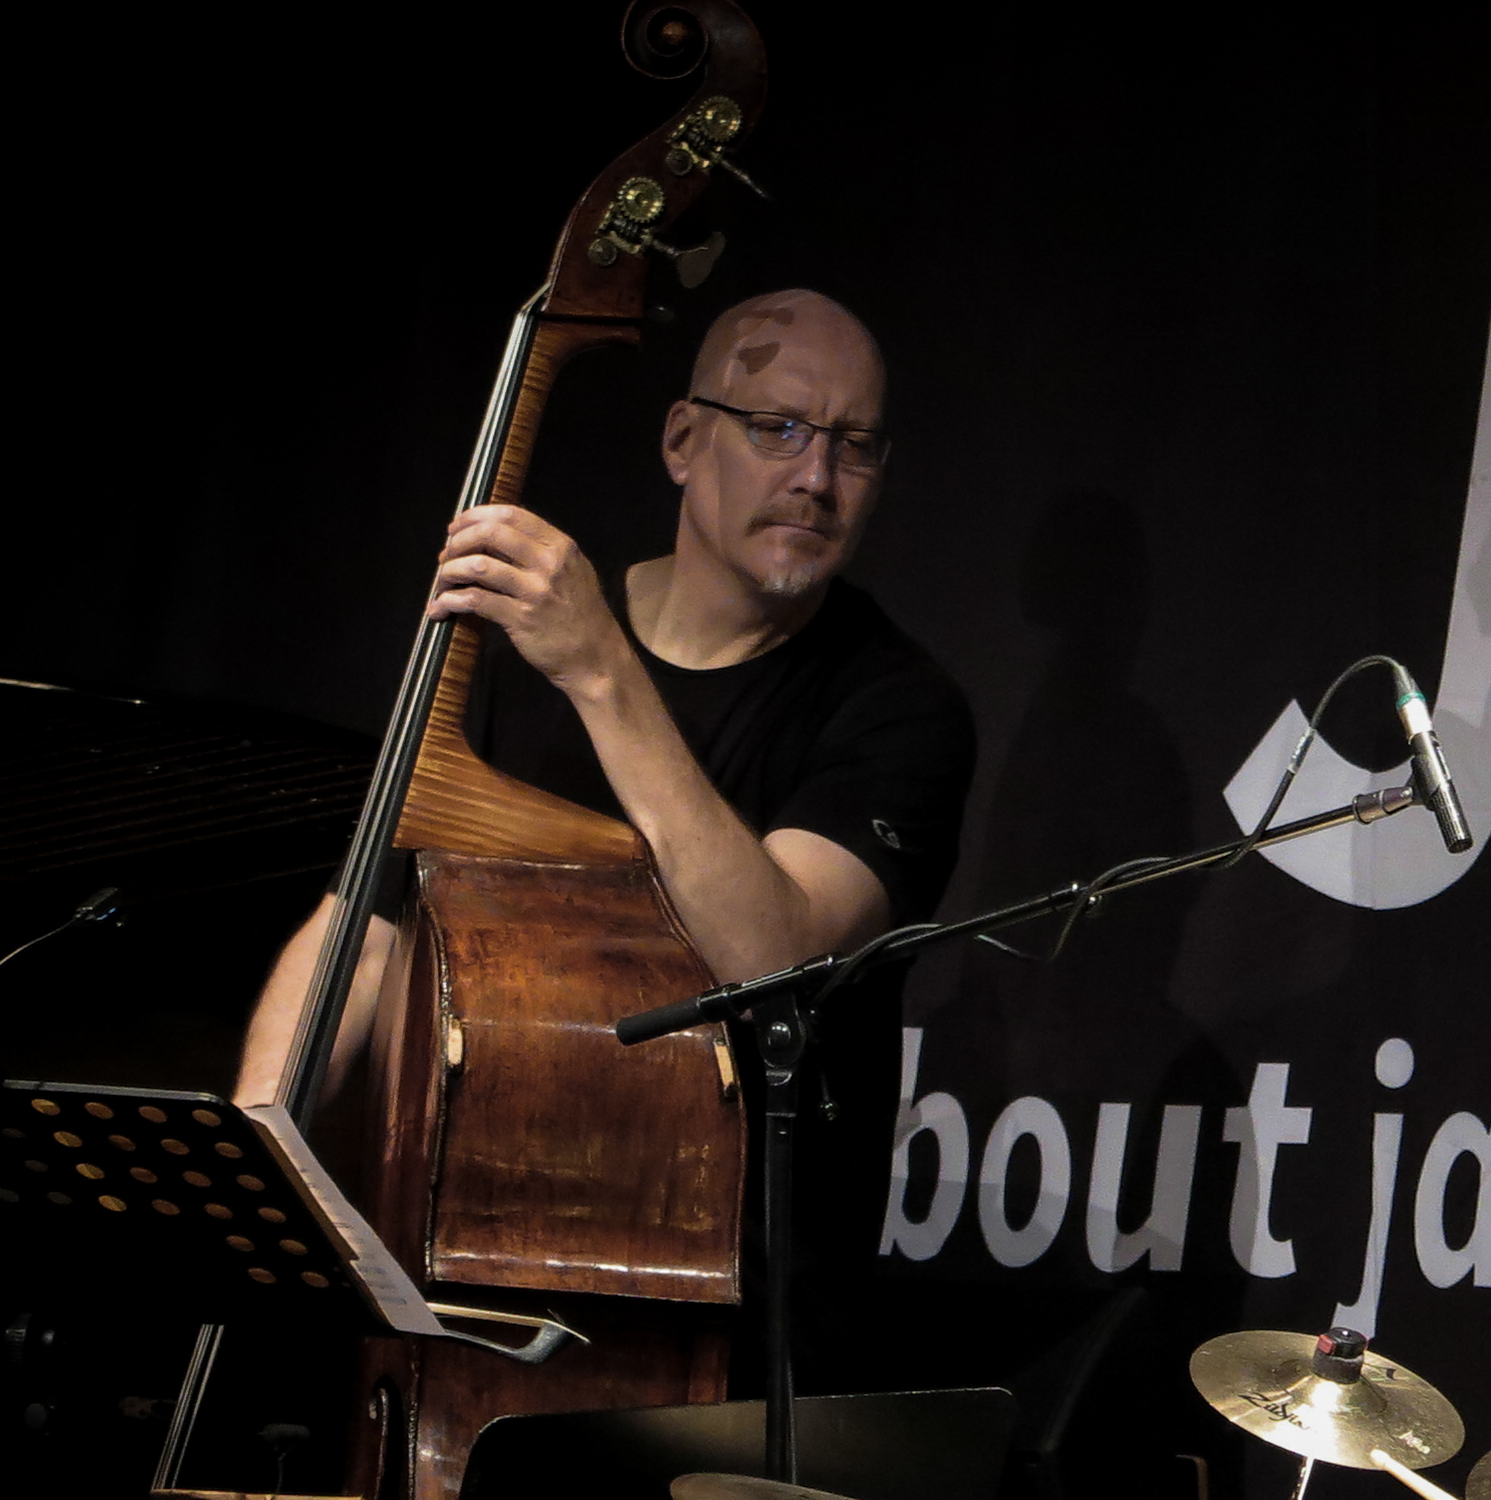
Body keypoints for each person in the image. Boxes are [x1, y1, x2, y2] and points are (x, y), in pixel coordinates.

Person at [234, 288, 972, 1104]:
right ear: (684, 441)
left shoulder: (903, 708)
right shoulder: (512, 644)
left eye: (854, 444)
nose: (817, 477)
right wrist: (265, 1132)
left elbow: (771, 961)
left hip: (730, 1226)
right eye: (778, 428)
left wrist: (601, 669)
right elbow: (365, 931)